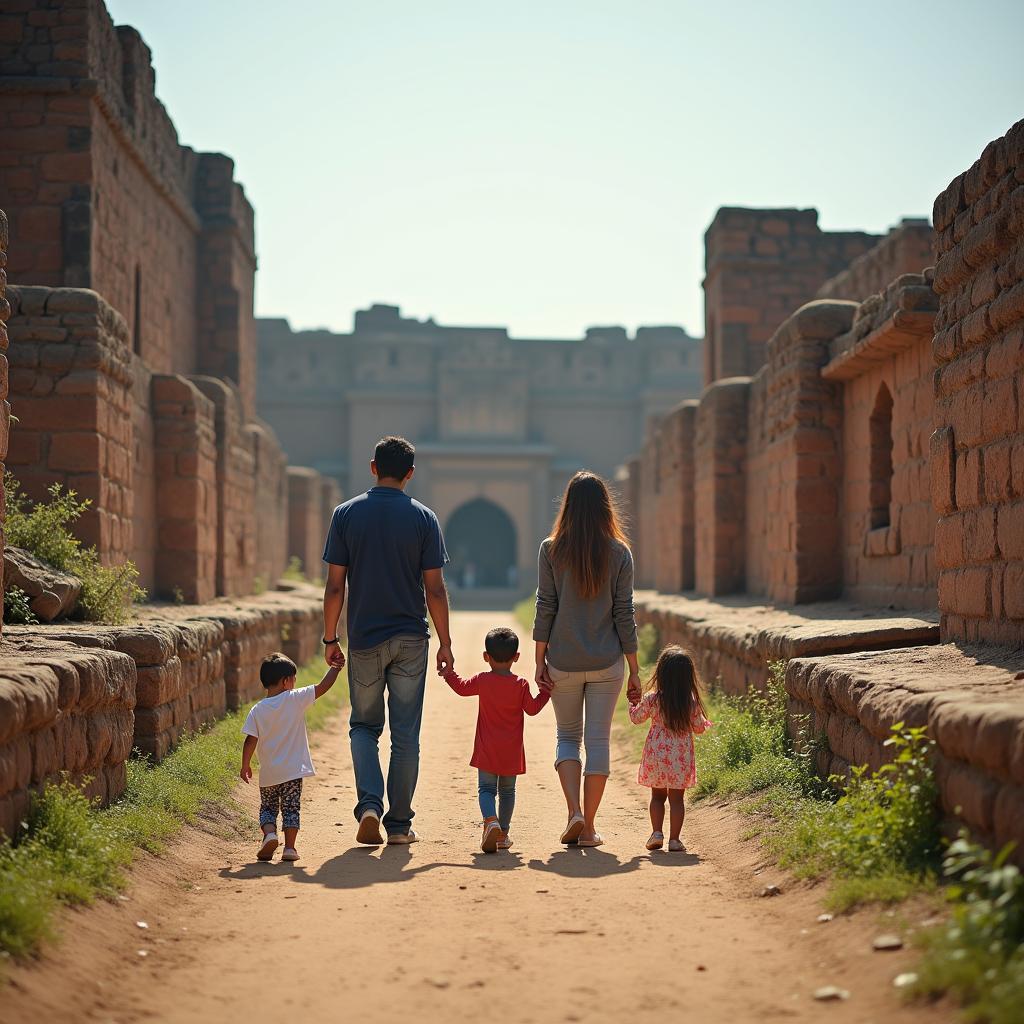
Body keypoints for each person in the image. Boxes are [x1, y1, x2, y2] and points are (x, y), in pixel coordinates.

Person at [322, 435, 453, 846]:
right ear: (410, 474)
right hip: (412, 638)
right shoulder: (424, 518)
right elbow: (435, 589)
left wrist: (330, 638)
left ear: (373, 466)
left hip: (364, 638)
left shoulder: (345, 515)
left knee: (363, 726)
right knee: (406, 734)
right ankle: (398, 825)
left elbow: (334, 587)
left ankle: (369, 806)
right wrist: (446, 642)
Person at [533, 470, 641, 848]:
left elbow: (545, 607)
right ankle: (590, 827)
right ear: (604, 508)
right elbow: (624, 614)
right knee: (598, 741)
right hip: (607, 662)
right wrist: (635, 670)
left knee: (567, 737)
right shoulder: (619, 552)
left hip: (563, 659)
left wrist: (538, 661)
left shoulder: (551, 549)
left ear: (568, 506)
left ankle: (573, 813)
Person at [441, 626, 551, 852]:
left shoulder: (483, 680)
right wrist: (546, 693)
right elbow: (531, 709)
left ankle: (490, 821)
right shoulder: (520, 684)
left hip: (487, 748)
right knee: (508, 792)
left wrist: (448, 674)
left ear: (486, 657)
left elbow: (461, 688)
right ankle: (503, 834)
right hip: (511, 750)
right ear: (516, 657)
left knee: (486, 789)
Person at [240, 652, 341, 862]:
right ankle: (290, 849)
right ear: (286, 682)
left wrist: (245, 765)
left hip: (269, 774)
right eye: (294, 679)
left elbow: (250, 741)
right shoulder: (294, 699)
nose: (295, 683)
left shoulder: (257, 710)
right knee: (291, 809)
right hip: (292, 773)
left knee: (267, 808)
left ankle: (269, 834)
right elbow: (323, 687)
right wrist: (336, 668)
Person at [628, 646, 712, 852]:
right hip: (680, 757)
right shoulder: (689, 702)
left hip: (656, 755)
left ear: (661, 673)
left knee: (657, 797)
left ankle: (656, 833)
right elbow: (699, 729)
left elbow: (637, 719)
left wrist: (632, 703)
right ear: (688, 677)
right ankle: (674, 840)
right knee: (677, 800)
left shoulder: (652, 698)